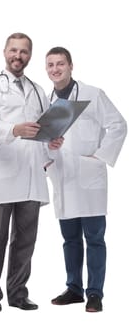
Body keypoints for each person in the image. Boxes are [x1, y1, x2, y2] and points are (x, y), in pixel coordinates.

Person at [0, 33, 63, 313]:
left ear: (30, 55)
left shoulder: (38, 90)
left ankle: (18, 292)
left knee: (26, 239)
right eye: (14, 50)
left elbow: (46, 128)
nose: (18, 56)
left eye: (24, 52)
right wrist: (14, 129)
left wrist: (53, 140)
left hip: (32, 174)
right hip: (4, 172)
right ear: (5, 52)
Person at [45, 47, 127, 312]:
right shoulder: (47, 103)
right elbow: (43, 141)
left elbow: (118, 125)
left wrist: (100, 156)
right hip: (63, 177)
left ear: (71, 66)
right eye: (50, 65)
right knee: (69, 239)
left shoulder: (93, 94)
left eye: (60, 64)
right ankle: (73, 289)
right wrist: (48, 156)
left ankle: (95, 293)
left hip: (89, 176)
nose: (55, 69)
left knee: (94, 238)